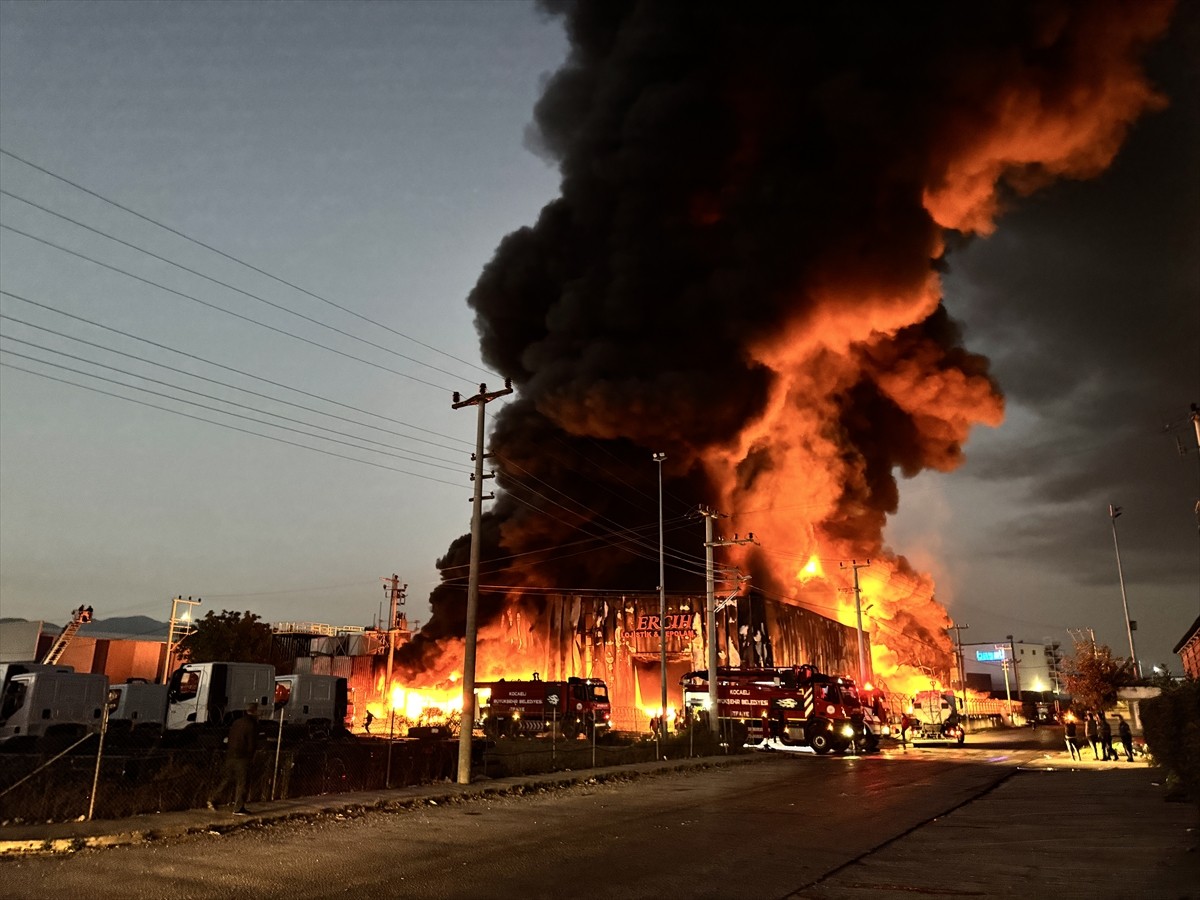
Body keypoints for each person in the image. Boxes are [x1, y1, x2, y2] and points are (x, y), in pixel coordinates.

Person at [207, 702, 259, 814]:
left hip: (231, 755)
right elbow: (251, 743)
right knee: (242, 783)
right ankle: (238, 807)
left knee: (227, 780)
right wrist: (251, 756)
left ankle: (213, 799)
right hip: (243, 757)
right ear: (254, 711)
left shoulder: (236, 722)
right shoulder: (252, 724)